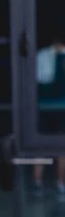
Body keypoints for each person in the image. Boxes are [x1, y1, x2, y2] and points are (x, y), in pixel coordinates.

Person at [34, 35, 65, 195]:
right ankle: (37, 183)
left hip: (63, 109)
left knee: (62, 146)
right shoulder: (42, 56)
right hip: (45, 108)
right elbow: (40, 81)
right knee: (40, 145)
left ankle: (61, 183)